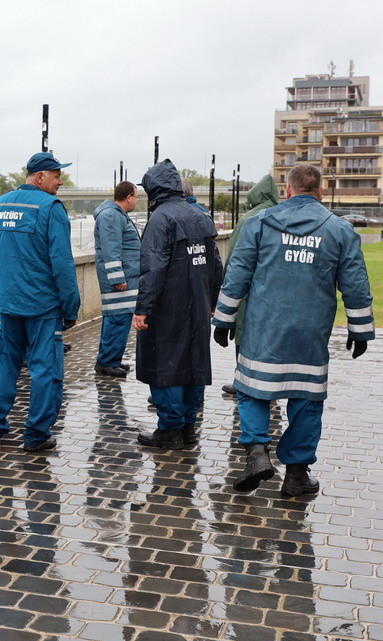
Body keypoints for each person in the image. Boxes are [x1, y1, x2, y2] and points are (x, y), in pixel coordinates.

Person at [212, 163, 375, 496]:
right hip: (310, 332)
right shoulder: (340, 230)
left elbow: (237, 275)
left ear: (288, 190)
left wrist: (224, 318)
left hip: (264, 328)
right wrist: (360, 329)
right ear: (321, 192)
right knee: (306, 398)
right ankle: (296, 476)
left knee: (252, 389)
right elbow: (355, 284)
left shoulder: (259, 224)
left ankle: (257, 454)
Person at [0, 151, 80, 452]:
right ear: (39, 177)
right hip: (42, 307)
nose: (60, 182)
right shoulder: (51, 208)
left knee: (2, 367)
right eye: (56, 176)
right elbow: (62, 264)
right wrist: (70, 308)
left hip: (8, 305)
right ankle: (36, 435)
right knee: (45, 371)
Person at [133, 159, 223, 450]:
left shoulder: (161, 219)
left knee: (166, 366)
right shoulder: (200, 216)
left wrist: (143, 308)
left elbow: (153, 268)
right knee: (192, 366)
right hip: (198, 306)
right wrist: (212, 300)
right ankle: (187, 427)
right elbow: (215, 264)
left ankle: (169, 430)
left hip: (169, 308)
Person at [219, 174, 280, 395]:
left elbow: (234, 263)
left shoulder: (248, 220)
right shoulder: (283, 216)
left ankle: (242, 381)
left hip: (250, 293)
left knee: (244, 336)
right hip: (276, 294)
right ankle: (270, 384)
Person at [93, 181, 141, 378]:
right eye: (136, 197)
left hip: (125, 276)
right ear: (128, 197)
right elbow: (111, 249)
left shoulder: (115, 214)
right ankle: (107, 362)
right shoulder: (111, 216)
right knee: (117, 319)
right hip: (120, 279)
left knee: (119, 318)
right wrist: (117, 277)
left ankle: (111, 358)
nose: (137, 201)